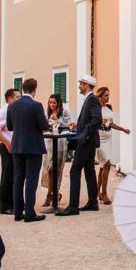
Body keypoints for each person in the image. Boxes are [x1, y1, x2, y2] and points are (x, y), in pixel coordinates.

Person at [58, 75, 103, 216]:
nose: (79, 86)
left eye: (81, 84)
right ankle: (92, 202)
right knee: (89, 171)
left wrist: (85, 133)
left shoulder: (92, 100)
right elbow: (92, 119)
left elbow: (97, 119)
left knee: (74, 171)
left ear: (86, 85)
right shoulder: (90, 100)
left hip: (86, 142)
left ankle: (73, 207)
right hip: (88, 141)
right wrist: (80, 125)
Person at [6, 78, 48, 222]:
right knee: (31, 179)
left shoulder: (12, 106)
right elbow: (44, 125)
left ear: (23, 89)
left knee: (18, 179)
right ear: (34, 89)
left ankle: (18, 212)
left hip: (17, 146)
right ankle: (29, 213)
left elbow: (10, 126)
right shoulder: (36, 105)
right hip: (33, 147)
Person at [95, 86, 129, 204]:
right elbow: (92, 121)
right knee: (107, 165)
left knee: (102, 166)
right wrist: (99, 121)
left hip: (109, 139)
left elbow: (111, 123)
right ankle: (104, 193)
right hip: (99, 139)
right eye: (105, 95)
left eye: (108, 95)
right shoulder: (95, 108)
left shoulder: (109, 108)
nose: (108, 97)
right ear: (100, 96)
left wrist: (123, 129)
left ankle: (97, 191)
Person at [0, 88, 20, 215]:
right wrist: (7, 143)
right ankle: (6, 205)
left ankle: (13, 203)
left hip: (13, 146)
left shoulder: (12, 110)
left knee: (14, 175)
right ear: (10, 98)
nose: (19, 99)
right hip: (8, 147)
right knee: (8, 176)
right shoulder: (4, 111)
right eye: (17, 97)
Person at [41, 93, 72, 208]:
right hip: (49, 141)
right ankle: (54, 193)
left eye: (54, 102)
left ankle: (50, 195)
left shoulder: (65, 112)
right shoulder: (46, 112)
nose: (52, 105)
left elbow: (69, 125)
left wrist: (58, 122)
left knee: (56, 169)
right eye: (50, 102)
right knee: (48, 169)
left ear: (58, 103)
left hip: (60, 141)